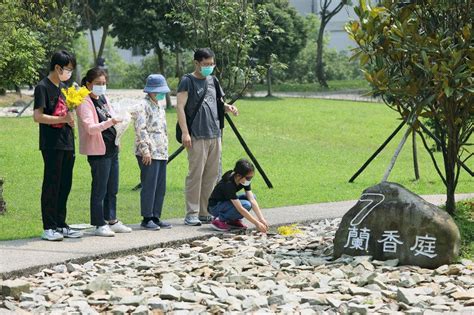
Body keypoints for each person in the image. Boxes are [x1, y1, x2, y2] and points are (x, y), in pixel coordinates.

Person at [176, 48, 238, 226]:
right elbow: (180, 107)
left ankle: (205, 211)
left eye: (212, 64)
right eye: (206, 64)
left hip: (214, 134)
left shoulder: (213, 80)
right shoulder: (187, 81)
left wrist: (228, 107)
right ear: (196, 63)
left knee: (211, 175)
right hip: (196, 135)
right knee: (195, 175)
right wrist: (186, 133)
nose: (209, 67)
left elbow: (217, 102)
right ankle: (192, 213)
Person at [76, 68, 132, 237]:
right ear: (88, 84)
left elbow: (113, 118)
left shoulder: (103, 98)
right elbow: (90, 128)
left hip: (111, 148)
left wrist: (118, 135)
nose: (101, 87)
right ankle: (99, 223)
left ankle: (112, 220)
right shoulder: (84, 102)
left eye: (104, 83)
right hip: (98, 151)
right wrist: (111, 121)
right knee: (100, 188)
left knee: (112, 187)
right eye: (97, 84)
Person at [33, 50, 83, 241]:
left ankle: (61, 225)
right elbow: (37, 116)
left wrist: (70, 120)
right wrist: (62, 117)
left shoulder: (64, 87)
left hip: (67, 142)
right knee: (52, 184)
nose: (69, 72)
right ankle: (49, 227)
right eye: (68, 69)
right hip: (52, 144)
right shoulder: (43, 87)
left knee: (65, 184)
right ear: (57, 67)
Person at [133, 74, 173, 230]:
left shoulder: (159, 106)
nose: (160, 94)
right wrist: (145, 150)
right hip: (149, 152)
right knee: (149, 185)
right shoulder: (143, 105)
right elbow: (141, 129)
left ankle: (156, 216)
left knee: (160, 186)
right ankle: (147, 217)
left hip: (161, 151)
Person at [208, 159, 268, 233]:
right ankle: (219, 220)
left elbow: (252, 199)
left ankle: (232, 220)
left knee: (253, 197)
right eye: (248, 178)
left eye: (251, 178)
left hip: (226, 202)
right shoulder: (228, 184)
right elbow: (240, 208)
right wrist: (256, 223)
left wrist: (261, 219)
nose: (249, 180)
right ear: (239, 175)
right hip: (215, 207)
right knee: (246, 205)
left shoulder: (243, 180)